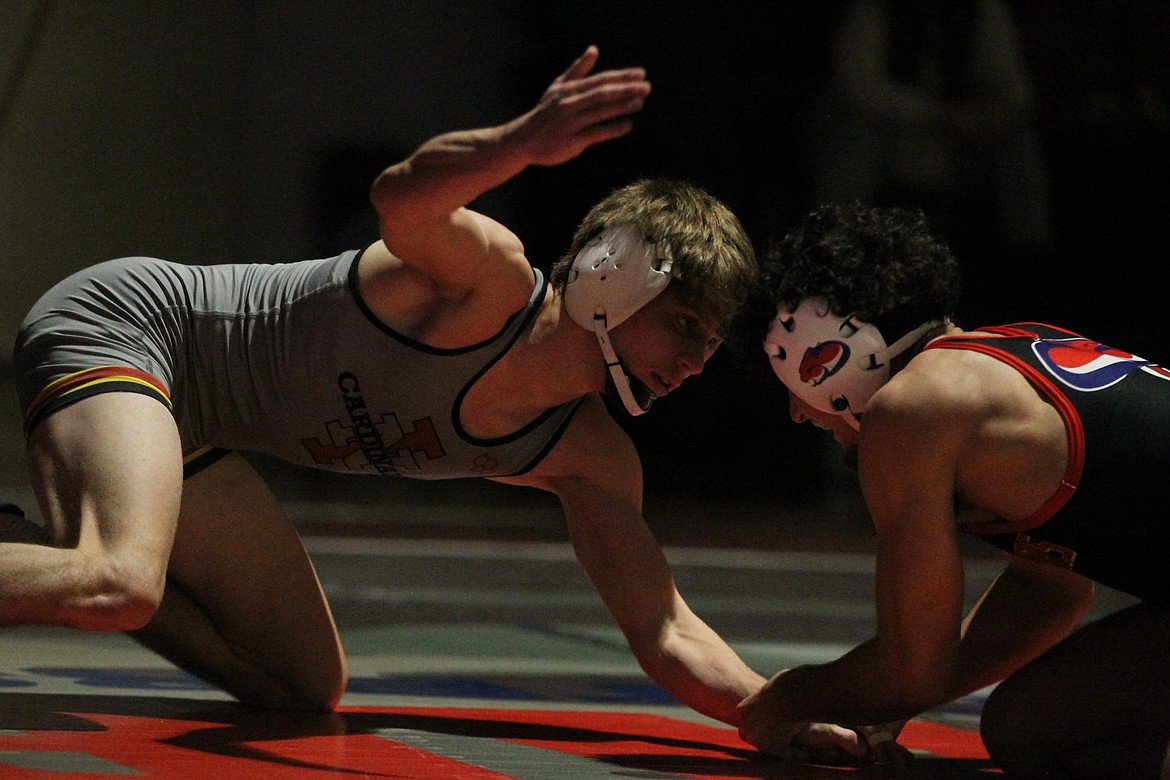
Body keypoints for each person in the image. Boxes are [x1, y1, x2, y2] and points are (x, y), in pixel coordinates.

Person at [0, 46, 782, 733]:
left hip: (190, 420)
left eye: (712, 343)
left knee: (302, 684)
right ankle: (75, 553)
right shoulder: (487, 282)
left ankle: (30, 549)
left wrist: (773, 705)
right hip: (133, 328)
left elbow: (667, 630)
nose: (696, 363)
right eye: (685, 326)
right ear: (613, 274)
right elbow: (402, 197)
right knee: (118, 583)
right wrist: (515, 145)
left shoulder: (587, 455)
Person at [733, 202, 1170, 778]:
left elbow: (910, 668)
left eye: (791, 379)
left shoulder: (913, 409)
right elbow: (1050, 592)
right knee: (1031, 727)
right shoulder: (1007, 354)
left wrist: (783, 699)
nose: (796, 412)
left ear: (842, 353)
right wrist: (890, 699)